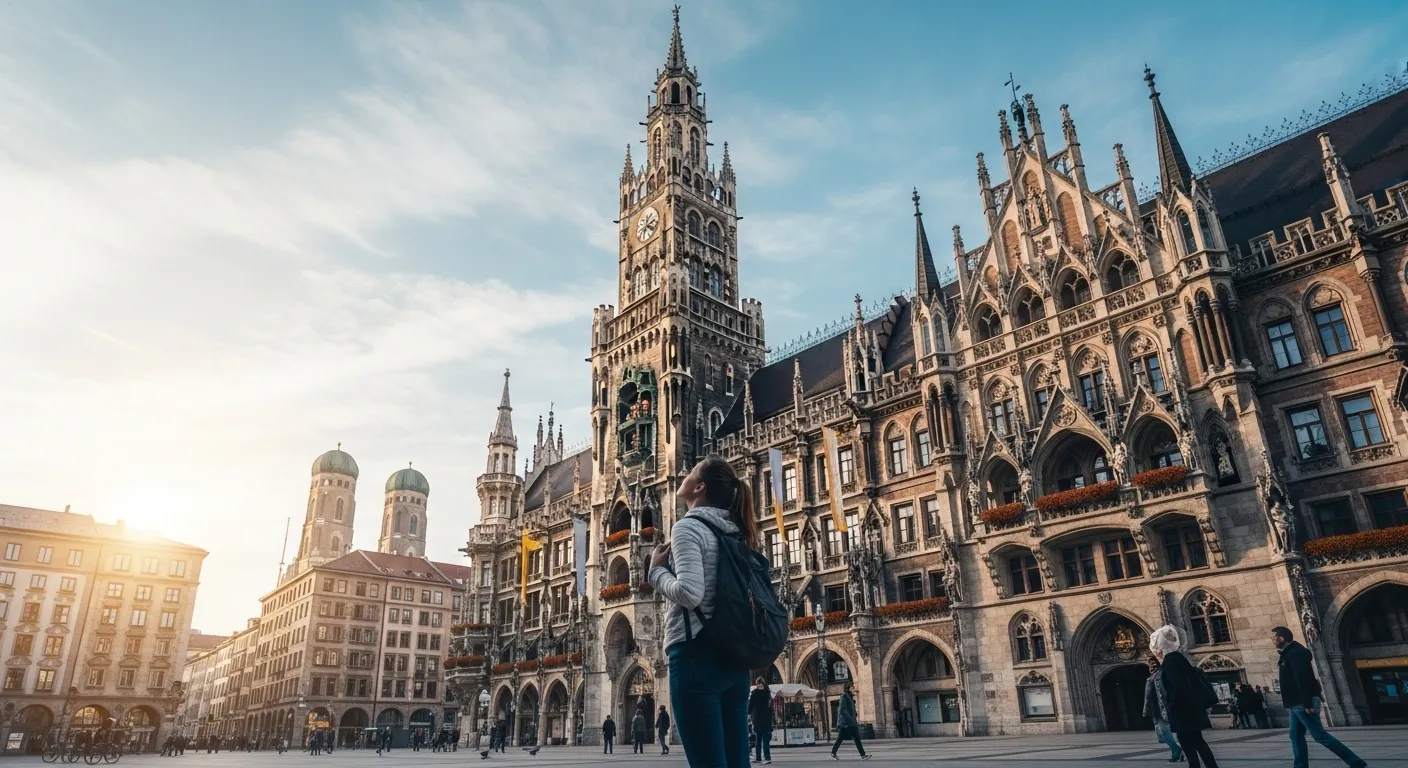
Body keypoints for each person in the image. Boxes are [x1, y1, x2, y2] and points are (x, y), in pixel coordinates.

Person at [648, 455, 761, 768]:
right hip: (734, 659)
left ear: (699, 487)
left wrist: (656, 572)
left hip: (696, 656)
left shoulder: (688, 527)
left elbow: (689, 592)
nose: (685, 471)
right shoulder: (734, 528)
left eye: (693, 470)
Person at [1273, 627, 1369, 768]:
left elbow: (1302, 679)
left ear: (1282, 638)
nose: (1273, 640)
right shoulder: (1290, 653)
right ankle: (1300, 765)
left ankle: (1355, 761)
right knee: (1295, 735)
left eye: (1275, 637)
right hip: (1295, 704)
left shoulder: (1294, 654)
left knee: (1319, 735)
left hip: (1301, 703)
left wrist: (1307, 703)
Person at [1150, 625, 1219, 768]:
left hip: (1183, 712)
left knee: (1188, 741)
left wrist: (1171, 706)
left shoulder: (1169, 662)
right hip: (1191, 710)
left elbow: (1178, 686)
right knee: (1197, 741)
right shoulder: (1178, 658)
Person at [1144, 656, 1184, 762]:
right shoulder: (1149, 679)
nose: (1152, 667)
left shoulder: (1163, 676)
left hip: (1165, 708)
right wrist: (1146, 710)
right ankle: (1179, 749)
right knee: (1162, 734)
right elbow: (1147, 696)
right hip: (1155, 710)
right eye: (1150, 665)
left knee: (1166, 732)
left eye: (1154, 664)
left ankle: (1176, 751)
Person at [830, 681, 869, 760]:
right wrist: (851, 719)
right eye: (852, 687)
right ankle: (863, 755)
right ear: (848, 688)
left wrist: (855, 713)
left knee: (850, 738)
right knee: (846, 738)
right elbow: (843, 709)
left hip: (850, 722)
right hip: (846, 723)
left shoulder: (849, 696)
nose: (853, 688)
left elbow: (850, 709)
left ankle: (863, 755)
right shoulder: (844, 696)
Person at [748, 678, 774, 764]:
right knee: (763, 740)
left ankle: (762, 758)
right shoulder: (768, 693)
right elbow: (770, 707)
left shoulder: (754, 693)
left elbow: (750, 705)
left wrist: (748, 713)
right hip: (766, 720)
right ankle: (765, 758)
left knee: (759, 740)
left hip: (758, 719)